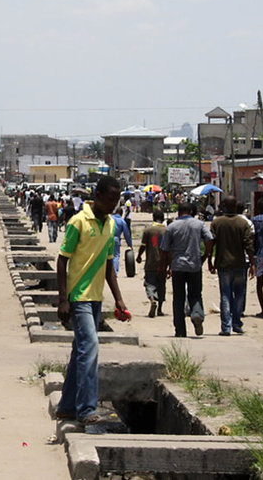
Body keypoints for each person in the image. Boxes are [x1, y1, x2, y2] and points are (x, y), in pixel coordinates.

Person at [55, 175, 129, 427]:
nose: (114, 205)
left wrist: (119, 299)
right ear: (97, 196)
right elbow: (62, 259)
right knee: (91, 348)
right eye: (110, 200)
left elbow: (109, 265)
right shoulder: (78, 222)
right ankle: (86, 409)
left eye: (117, 201)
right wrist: (62, 299)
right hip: (78, 296)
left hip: (96, 297)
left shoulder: (110, 225)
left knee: (81, 351)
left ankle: (66, 407)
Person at [160, 201, 214, 337]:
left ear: (178, 212)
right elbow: (209, 239)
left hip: (177, 266)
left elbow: (164, 250)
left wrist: (164, 266)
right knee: (195, 294)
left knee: (178, 298)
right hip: (195, 265)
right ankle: (197, 314)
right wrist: (205, 256)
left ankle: (180, 330)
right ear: (191, 212)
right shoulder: (199, 224)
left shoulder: (171, 227)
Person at [209, 196, 255, 336]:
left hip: (223, 264)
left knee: (225, 295)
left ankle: (226, 327)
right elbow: (249, 245)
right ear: (236, 206)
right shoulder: (243, 223)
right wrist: (253, 263)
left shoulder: (217, 223)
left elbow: (211, 243)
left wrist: (210, 260)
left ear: (223, 206)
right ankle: (236, 323)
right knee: (239, 294)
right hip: (240, 263)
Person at [137, 209, 168, 318]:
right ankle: (159, 309)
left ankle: (152, 300)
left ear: (153, 218)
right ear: (163, 218)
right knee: (161, 285)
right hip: (163, 263)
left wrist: (139, 256)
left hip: (151, 262)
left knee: (150, 283)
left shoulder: (148, 230)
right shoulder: (167, 230)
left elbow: (143, 246)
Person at [111, 208, 132, 275]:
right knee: (116, 256)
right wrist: (129, 244)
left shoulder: (110, 219)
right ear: (121, 213)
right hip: (116, 239)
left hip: (108, 238)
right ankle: (115, 272)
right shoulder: (122, 221)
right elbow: (126, 234)